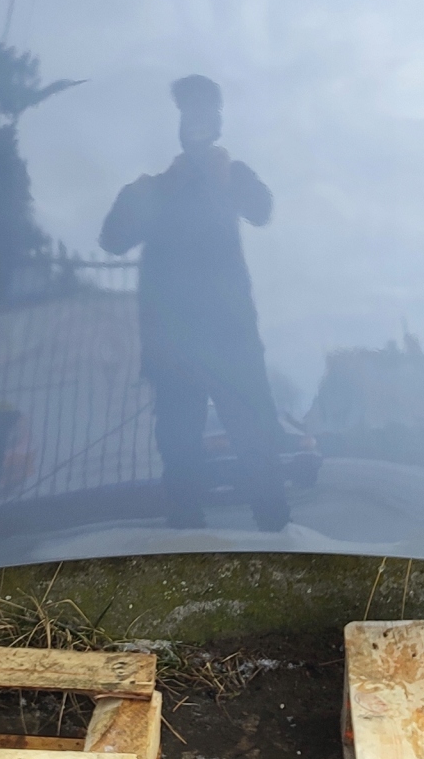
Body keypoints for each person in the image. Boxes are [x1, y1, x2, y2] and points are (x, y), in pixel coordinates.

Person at [100, 75, 289, 530]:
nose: (198, 122)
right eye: (189, 111)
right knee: (179, 442)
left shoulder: (232, 177)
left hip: (231, 339)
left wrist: (228, 178)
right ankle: (185, 533)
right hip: (174, 343)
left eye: (207, 111)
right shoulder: (156, 188)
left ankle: (278, 533)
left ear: (218, 123)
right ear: (179, 125)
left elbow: (263, 209)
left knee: (255, 438)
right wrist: (161, 188)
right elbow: (112, 239)